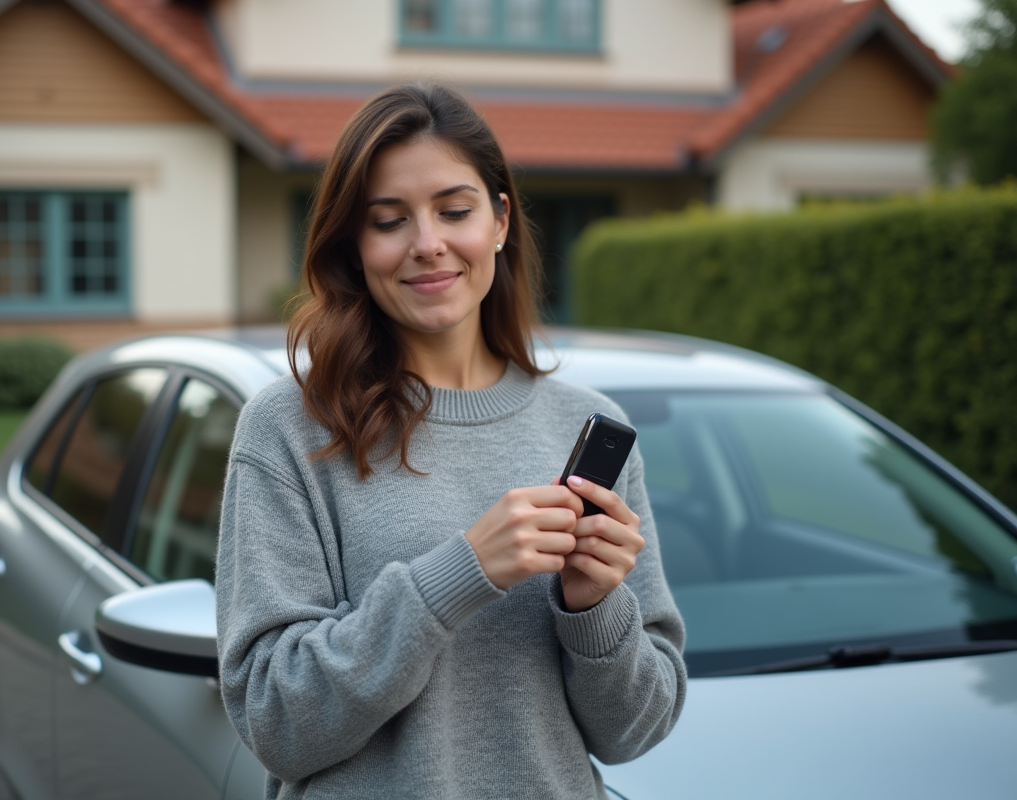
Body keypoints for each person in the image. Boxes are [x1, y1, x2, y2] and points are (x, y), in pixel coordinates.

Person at [215, 83, 685, 800]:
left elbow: (634, 732)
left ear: (499, 221)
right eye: (388, 220)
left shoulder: (586, 425)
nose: (428, 243)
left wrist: (594, 607)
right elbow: (276, 722)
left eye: (454, 211)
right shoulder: (291, 428)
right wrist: (460, 575)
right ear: (354, 243)